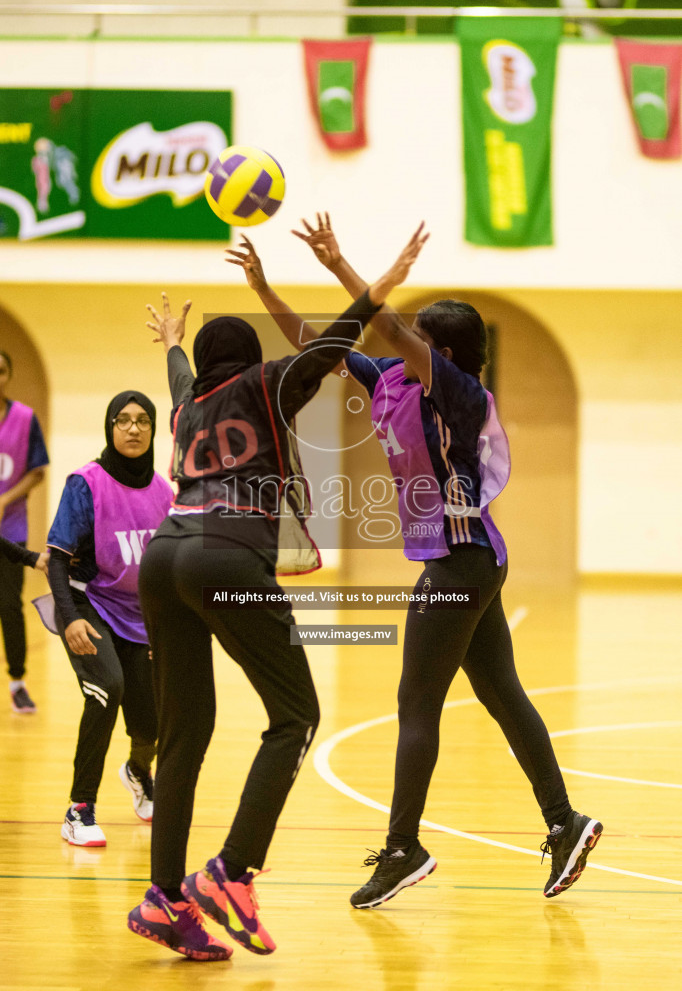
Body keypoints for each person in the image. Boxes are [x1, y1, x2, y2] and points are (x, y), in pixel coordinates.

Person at [240, 212, 602, 906]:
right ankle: (565, 822)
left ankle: (403, 849)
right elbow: (321, 345)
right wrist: (265, 289)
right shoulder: (393, 382)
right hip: (466, 561)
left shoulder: (460, 396)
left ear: (446, 352)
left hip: (460, 561)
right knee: (501, 693)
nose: (407, 344)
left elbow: (388, 327)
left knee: (416, 705)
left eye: (421, 340)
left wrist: (346, 267)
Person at [127, 227, 428, 963]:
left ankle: (164, 897)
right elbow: (334, 343)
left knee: (184, 733)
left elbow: (175, 377)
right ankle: (231, 872)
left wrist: (172, 340)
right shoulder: (268, 382)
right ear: (250, 361)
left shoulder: (187, 404)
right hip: (225, 556)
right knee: (296, 715)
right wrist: (382, 280)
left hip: (163, 557)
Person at [46, 392, 172, 847]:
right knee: (107, 690)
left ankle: (138, 772)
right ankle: (79, 810)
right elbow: (57, 560)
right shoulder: (86, 483)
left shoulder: (162, 490)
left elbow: (162, 567)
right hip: (87, 604)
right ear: (110, 427)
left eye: (142, 421)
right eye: (123, 420)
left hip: (138, 617)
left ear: (154, 429)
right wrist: (69, 618)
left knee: (153, 720)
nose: (133, 429)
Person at [0, 349, 49, 713]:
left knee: (8, 606)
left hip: (10, 531)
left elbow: (38, 471)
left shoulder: (25, 418)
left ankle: (17, 683)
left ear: (8, 375)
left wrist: (5, 500)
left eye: (1, 370)